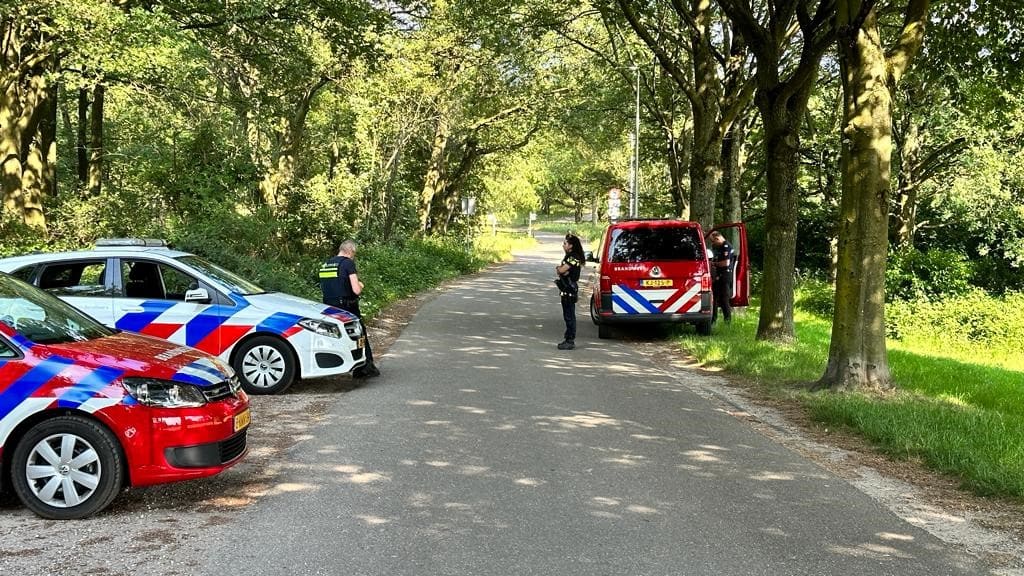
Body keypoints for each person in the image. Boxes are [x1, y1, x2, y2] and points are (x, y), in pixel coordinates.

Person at [319, 240, 379, 379]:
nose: (353, 257)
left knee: (336, 335)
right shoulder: (347, 263)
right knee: (358, 334)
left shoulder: (326, 264)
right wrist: (361, 285)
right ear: (350, 250)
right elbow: (356, 290)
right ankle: (365, 367)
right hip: (347, 307)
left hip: (329, 307)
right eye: (354, 253)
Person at [555, 233, 585, 350]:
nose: (563, 245)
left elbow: (562, 270)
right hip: (566, 288)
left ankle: (570, 340)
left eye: (565, 243)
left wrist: (559, 269)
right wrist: (562, 271)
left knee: (569, 315)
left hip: (569, 288)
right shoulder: (571, 256)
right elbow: (563, 271)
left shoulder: (573, 257)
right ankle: (568, 338)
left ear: (571, 245)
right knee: (567, 314)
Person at [707, 230, 736, 324]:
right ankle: (713, 320)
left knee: (724, 299)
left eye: (713, 241)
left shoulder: (726, 246)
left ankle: (727, 322)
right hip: (719, 276)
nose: (713, 243)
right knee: (714, 298)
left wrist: (714, 264)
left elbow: (726, 263)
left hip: (725, 276)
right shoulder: (719, 247)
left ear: (717, 238)